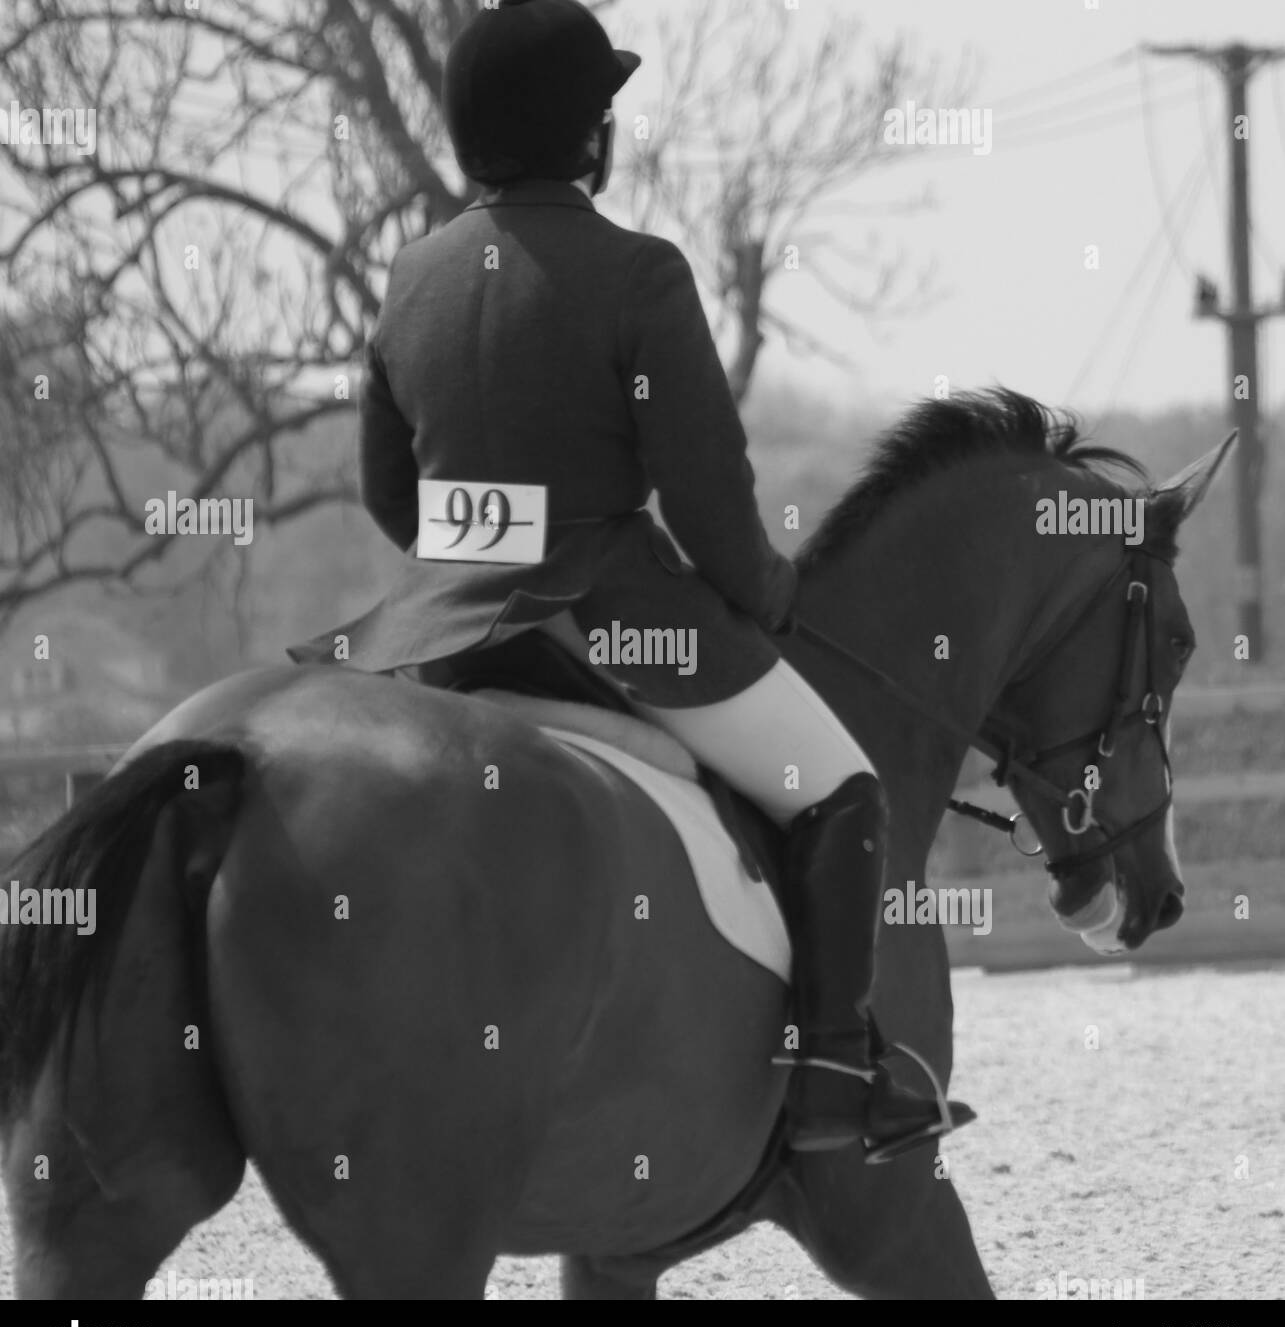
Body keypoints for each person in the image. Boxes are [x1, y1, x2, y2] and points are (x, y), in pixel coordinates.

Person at [297, 0, 973, 1158]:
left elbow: (391, 497)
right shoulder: (639, 273)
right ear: (584, 134)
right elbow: (708, 498)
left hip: (432, 625)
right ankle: (826, 1074)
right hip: (617, 620)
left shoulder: (415, 277)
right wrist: (764, 594)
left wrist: (476, 555)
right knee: (843, 788)